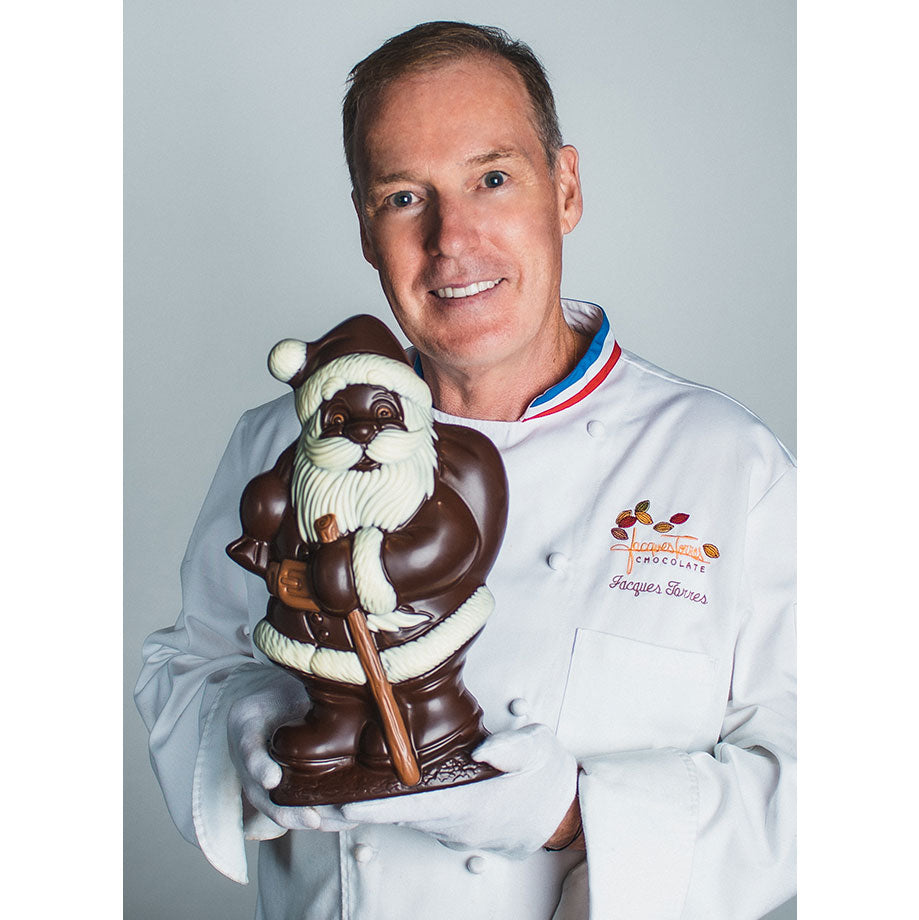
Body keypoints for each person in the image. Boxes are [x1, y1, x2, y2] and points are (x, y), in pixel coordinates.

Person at [135, 21, 795, 920]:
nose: (454, 238)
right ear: (368, 230)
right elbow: (188, 666)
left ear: (564, 188)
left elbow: (821, 782)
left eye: (493, 178)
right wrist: (243, 725)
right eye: (406, 197)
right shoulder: (274, 447)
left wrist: (570, 815)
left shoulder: (727, 464)